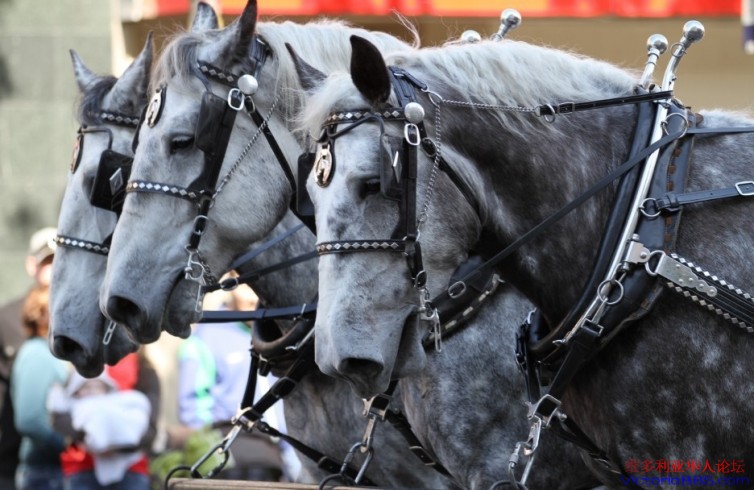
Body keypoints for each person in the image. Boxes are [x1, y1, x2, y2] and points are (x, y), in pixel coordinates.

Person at [176, 283, 286, 482]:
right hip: (239, 455)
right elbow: (192, 406)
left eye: (258, 289)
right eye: (247, 289)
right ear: (230, 282)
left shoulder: (278, 327)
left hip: (286, 450)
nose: (254, 299)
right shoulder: (205, 337)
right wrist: (218, 443)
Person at [47, 350, 160, 490]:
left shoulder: (145, 371)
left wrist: (114, 444)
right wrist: (90, 437)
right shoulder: (84, 360)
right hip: (83, 466)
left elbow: (150, 427)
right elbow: (60, 413)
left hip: (131, 469)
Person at [0, 226, 57, 489]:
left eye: (60, 259)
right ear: (31, 265)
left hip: (65, 464)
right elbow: (30, 418)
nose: (54, 268)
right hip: (13, 459)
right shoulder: (7, 319)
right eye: (48, 260)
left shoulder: (85, 319)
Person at [10, 284, 68, 490]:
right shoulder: (37, 354)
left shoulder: (48, 352)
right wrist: (67, 445)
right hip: (45, 474)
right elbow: (30, 419)